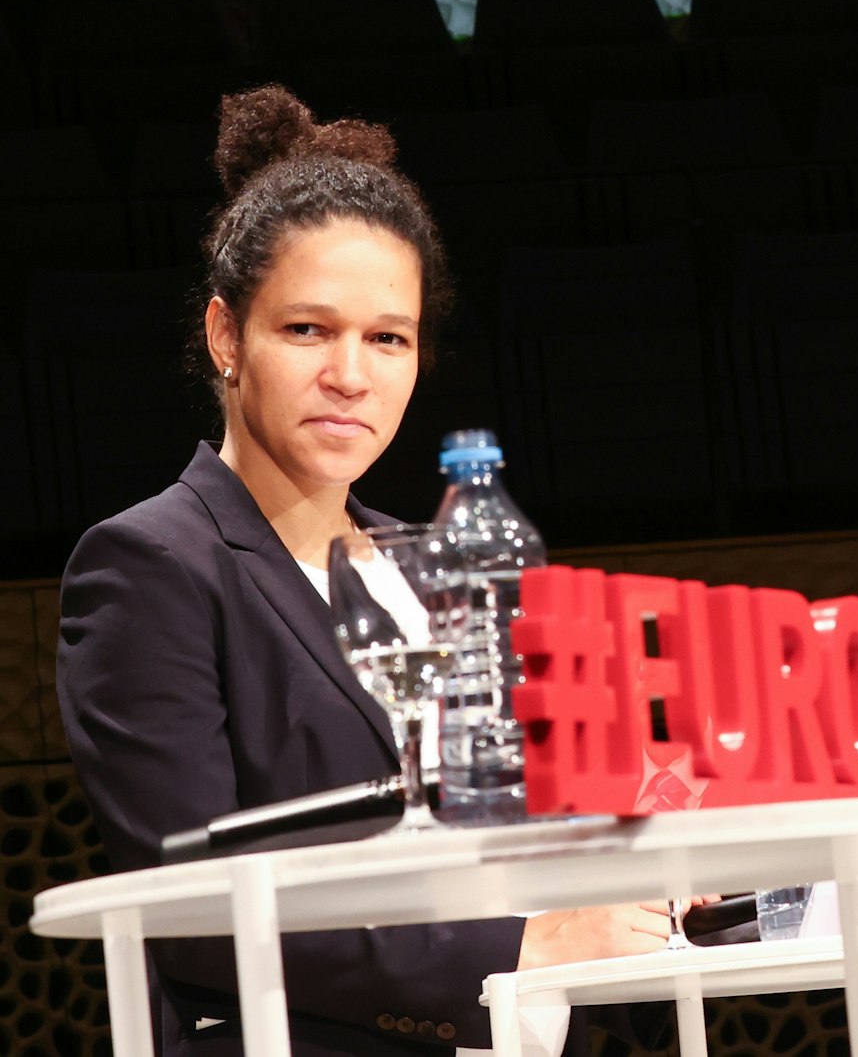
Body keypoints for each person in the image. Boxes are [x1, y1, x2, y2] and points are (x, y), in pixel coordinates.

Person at [56, 86, 678, 1056]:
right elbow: (192, 905)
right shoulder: (150, 566)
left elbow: (505, 824)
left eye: (387, 337)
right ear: (228, 338)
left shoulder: (436, 565)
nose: (351, 374)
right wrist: (521, 950)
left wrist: (644, 879)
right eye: (308, 330)